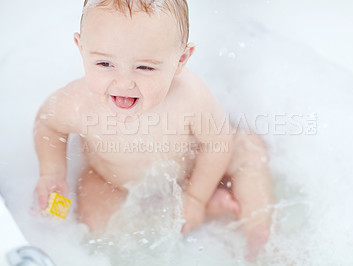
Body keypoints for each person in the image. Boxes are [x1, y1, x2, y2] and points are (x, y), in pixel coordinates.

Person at [34, 0, 274, 259]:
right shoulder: (78, 102)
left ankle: (260, 237)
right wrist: (52, 173)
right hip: (112, 180)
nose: (123, 83)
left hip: (194, 169)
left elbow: (218, 143)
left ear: (181, 60)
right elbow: (48, 124)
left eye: (145, 68)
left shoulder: (190, 97)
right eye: (104, 64)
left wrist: (195, 197)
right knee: (96, 227)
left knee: (248, 150)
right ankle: (205, 212)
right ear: (81, 49)